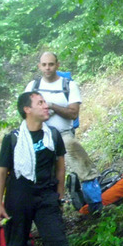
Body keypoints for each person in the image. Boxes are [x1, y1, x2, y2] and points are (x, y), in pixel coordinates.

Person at [0, 92, 92, 246]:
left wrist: (60, 195)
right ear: (27, 110)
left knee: (56, 237)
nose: (46, 106)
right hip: (19, 196)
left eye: (45, 102)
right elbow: (2, 172)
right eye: (40, 103)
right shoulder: (13, 139)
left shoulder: (53, 134)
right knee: (16, 242)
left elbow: (60, 167)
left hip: (46, 194)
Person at [24, 52, 99, 183]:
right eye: (44, 65)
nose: (48, 68)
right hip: (38, 135)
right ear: (39, 66)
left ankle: (93, 193)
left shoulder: (69, 85)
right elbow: (25, 112)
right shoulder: (32, 87)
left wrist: (52, 106)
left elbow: (73, 113)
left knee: (80, 162)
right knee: (42, 173)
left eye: (51, 64)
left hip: (63, 135)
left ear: (57, 65)